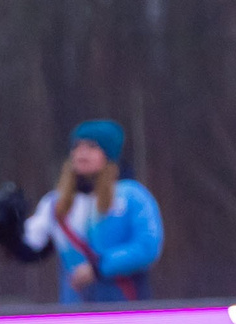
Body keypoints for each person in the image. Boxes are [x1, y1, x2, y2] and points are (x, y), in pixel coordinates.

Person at [21, 118, 163, 303]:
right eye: (77, 146)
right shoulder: (56, 203)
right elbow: (30, 244)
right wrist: (6, 229)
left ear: (108, 154)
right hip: (76, 315)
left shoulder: (132, 196)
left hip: (126, 311)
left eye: (91, 146)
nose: (81, 152)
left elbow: (147, 247)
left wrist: (99, 267)